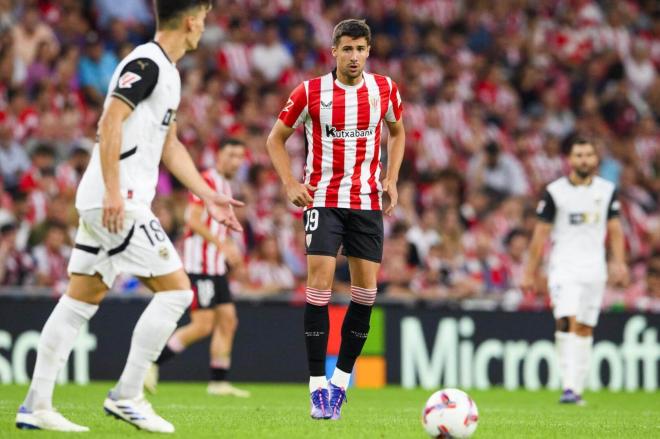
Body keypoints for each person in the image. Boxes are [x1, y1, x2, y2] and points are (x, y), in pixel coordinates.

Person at [16, 0, 243, 433]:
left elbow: (170, 145)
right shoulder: (146, 62)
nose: (206, 27)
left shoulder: (170, 73)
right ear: (192, 19)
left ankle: (36, 404)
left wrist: (208, 195)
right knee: (178, 292)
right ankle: (127, 395)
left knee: (79, 300)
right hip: (118, 200)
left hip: (109, 198)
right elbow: (110, 120)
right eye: (205, 18)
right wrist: (116, 192)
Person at [266, 19, 405, 420]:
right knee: (320, 286)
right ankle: (315, 388)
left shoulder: (384, 89)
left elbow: (398, 133)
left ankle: (340, 383)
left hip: (365, 202)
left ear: (369, 51)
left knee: (365, 293)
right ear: (334, 51)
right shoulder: (310, 92)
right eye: (347, 49)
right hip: (323, 200)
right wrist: (290, 180)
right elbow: (275, 138)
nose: (355, 56)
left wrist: (391, 178)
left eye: (361, 49)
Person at [521, 138, 628, 405]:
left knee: (584, 327)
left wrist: (620, 262)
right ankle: (568, 386)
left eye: (588, 154)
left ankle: (576, 388)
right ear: (569, 159)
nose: (584, 160)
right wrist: (529, 272)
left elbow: (615, 230)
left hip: (595, 270)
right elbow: (540, 234)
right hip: (563, 267)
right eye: (579, 155)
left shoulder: (606, 190)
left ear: (595, 159)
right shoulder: (555, 192)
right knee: (566, 320)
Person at [145, 138, 250, 398]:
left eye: (240, 156)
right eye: (231, 154)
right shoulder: (205, 180)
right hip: (199, 266)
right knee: (203, 325)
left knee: (228, 320)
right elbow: (190, 219)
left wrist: (227, 245)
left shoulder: (225, 184)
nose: (235, 161)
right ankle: (151, 362)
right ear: (218, 156)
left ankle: (218, 382)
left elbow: (213, 224)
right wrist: (222, 245)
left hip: (216, 268)